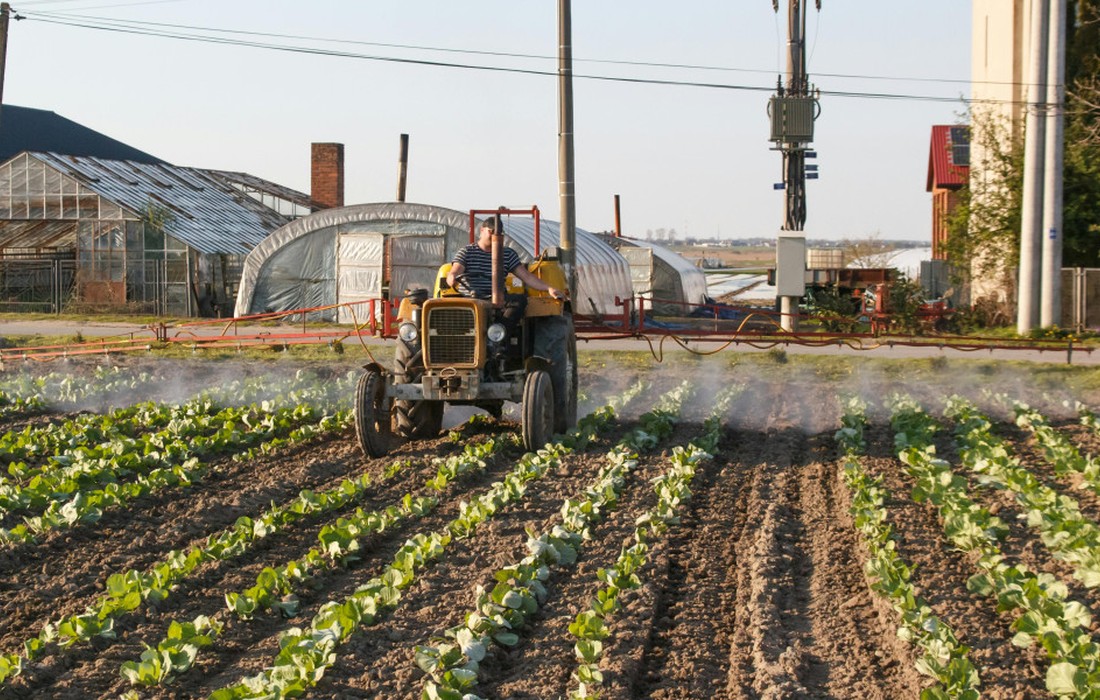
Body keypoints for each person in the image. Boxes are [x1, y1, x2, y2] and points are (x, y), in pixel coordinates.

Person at [446, 218, 566, 300]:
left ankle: (501, 332)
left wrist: (548, 288)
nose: (494, 236)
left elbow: (527, 277)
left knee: (519, 301)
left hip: (496, 299)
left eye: (498, 233)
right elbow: (456, 269)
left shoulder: (507, 254)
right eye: (491, 232)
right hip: (469, 297)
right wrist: (452, 277)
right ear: (482, 230)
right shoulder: (467, 252)